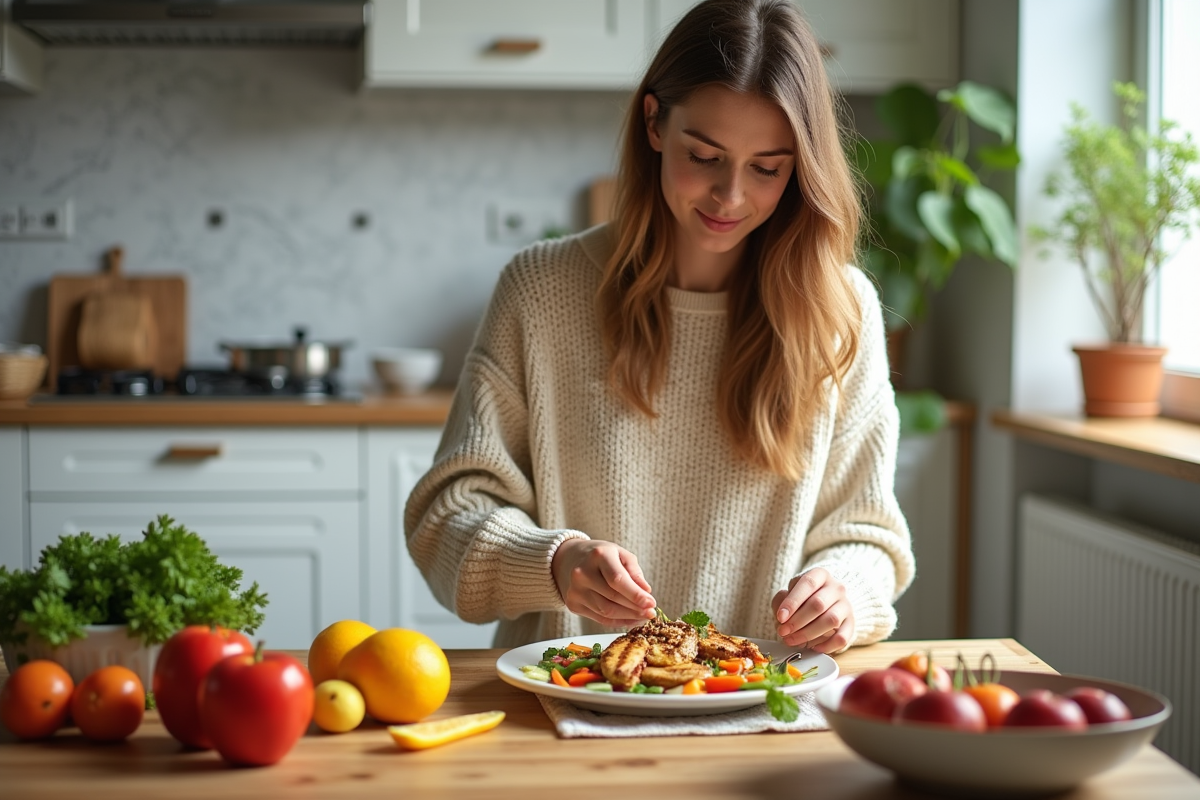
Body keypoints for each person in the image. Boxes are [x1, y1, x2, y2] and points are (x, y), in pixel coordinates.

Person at [404, 0, 914, 655]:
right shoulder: (541, 291)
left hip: (760, 703)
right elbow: (447, 518)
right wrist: (555, 563)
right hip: (569, 697)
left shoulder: (842, 309)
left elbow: (868, 535)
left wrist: (843, 590)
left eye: (767, 167)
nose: (730, 196)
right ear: (654, 123)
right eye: (704, 156)